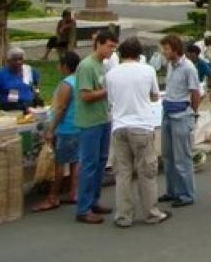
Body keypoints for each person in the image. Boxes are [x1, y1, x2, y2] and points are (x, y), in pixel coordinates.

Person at [105, 37, 171, 227]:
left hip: (119, 126)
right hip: (142, 125)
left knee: (123, 173)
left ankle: (123, 215)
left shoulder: (111, 74)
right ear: (139, 54)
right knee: (146, 172)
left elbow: (110, 99)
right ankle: (151, 212)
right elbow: (154, 95)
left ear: (121, 54)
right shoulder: (148, 70)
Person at [74, 29, 118, 224]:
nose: (111, 50)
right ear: (99, 44)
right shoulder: (87, 66)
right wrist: (107, 91)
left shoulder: (102, 66)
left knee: (101, 163)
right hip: (90, 122)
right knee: (89, 165)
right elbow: (85, 95)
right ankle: (83, 208)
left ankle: (93, 200)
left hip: (103, 119)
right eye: (109, 46)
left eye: (114, 47)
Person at [33, 52, 82, 212]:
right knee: (75, 161)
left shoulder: (66, 84)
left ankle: (52, 197)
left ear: (65, 66)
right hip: (77, 125)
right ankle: (73, 192)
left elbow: (61, 108)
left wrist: (51, 128)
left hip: (66, 128)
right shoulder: (80, 81)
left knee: (59, 163)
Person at [159, 34, 201, 208]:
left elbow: (195, 93)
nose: (163, 52)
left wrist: (193, 113)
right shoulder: (170, 65)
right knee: (168, 156)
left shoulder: (188, 68)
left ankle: (186, 194)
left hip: (181, 114)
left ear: (175, 49)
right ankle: (172, 190)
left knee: (182, 156)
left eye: (166, 48)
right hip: (168, 112)